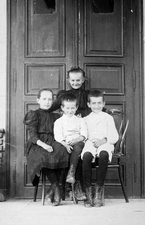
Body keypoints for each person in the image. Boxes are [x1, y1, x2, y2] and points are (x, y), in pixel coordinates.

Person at [49, 67, 90, 200]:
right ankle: (62, 187)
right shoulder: (63, 95)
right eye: (73, 80)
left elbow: (96, 105)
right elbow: (52, 107)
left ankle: (76, 187)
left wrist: (108, 111)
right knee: (64, 152)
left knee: (79, 152)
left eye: (78, 80)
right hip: (66, 133)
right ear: (68, 80)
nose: (76, 82)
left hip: (82, 130)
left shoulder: (87, 94)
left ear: (83, 80)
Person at [24, 88, 70, 206]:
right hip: (38, 144)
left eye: (50, 99)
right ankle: (57, 187)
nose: (47, 102)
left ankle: (51, 191)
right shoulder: (33, 114)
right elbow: (33, 136)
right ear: (38, 100)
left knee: (63, 152)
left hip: (53, 141)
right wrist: (44, 145)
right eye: (44, 99)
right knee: (43, 156)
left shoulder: (56, 116)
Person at [81, 90, 119, 207]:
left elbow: (114, 136)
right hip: (90, 143)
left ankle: (98, 191)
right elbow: (83, 135)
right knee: (87, 156)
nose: (96, 106)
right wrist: (88, 140)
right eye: (93, 103)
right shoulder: (85, 119)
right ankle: (88, 192)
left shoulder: (108, 118)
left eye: (99, 103)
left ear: (103, 104)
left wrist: (104, 139)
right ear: (89, 104)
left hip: (105, 142)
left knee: (103, 154)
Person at [54, 94, 87, 184]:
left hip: (78, 141)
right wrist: (65, 144)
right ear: (62, 108)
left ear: (76, 107)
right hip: (65, 143)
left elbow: (84, 134)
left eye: (72, 108)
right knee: (62, 152)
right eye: (67, 108)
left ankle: (71, 172)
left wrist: (77, 140)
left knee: (77, 147)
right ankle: (63, 184)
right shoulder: (59, 122)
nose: (70, 110)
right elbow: (58, 136)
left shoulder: (80, 120)